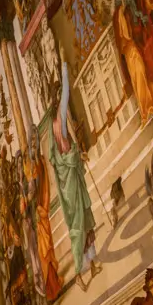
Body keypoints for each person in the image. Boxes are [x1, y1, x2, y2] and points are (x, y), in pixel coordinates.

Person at [43, 66, 100, 288]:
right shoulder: (59, 120)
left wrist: (77, 154)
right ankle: (79, 272)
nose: (61, 99)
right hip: (72, 181)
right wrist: (64, 70)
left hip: (68, 180)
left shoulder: (51, 126)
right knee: (80, 222)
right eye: (58, 97)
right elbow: (66, 93)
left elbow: (60, 156)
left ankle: (92, 262)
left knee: (83, 219)